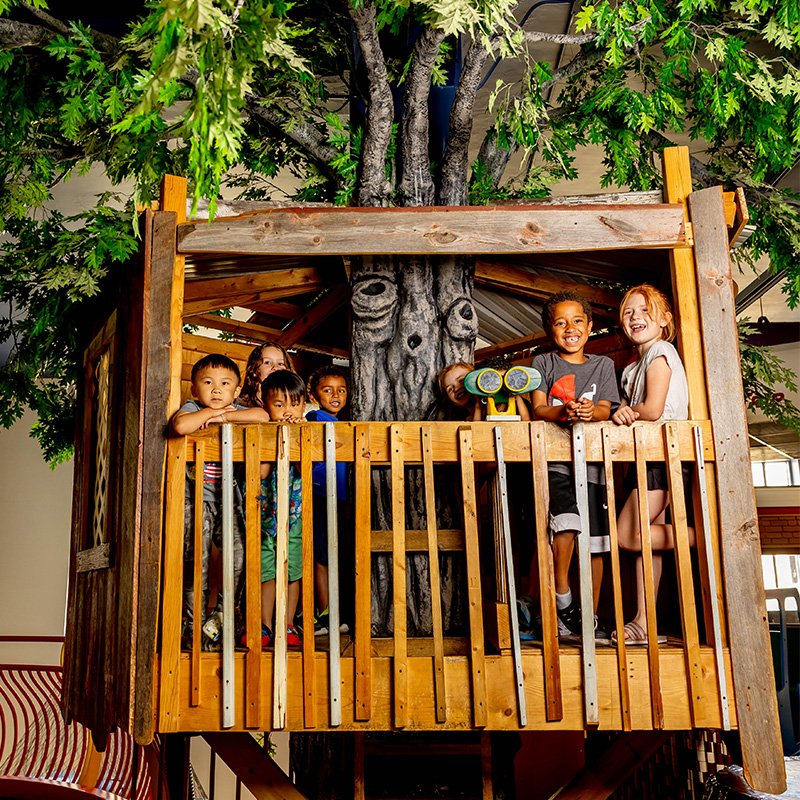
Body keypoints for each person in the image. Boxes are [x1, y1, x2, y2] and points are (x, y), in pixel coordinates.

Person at [531, 290, 620, 637]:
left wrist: (589, 410)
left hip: (593, 464)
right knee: (565, 523)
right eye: (561, 322)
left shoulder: (603, 365)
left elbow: (606, 409)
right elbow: (539, 409)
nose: (570, 328)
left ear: (590, 326)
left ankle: (589, 616)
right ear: (550, 330)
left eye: (578, 320)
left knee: (596, 542)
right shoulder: (543, 363)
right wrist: (563, 411)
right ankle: (563, 597)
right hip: (555, 461)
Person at [611, 284, 693, 646]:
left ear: (664, 320)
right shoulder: (631, 367)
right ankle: (644, 622)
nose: (636, 317)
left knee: (628, 535)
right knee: (647, 540)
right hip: (642, 454)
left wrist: (624, 413)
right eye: (629, 312)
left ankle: (704, 536)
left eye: (645, 310)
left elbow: (653, 408)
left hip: (662, 454)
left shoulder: (662, 350)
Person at [171, 353, 270, 648]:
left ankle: (221, 616)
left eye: (225, 384)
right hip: (196, 500)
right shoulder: (192, 408)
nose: (216, 389)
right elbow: (181, 427)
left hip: (230, 499)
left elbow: (262, 416)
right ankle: (193, 623)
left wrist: (223, 417)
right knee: (196, 563)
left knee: (240, 556)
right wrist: (208, 414)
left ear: (236, 391)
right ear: (194, 389)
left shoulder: (235, 410)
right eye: (208, 383)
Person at [255, 369, 307, 648]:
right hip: (265, 517)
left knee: (292, 570)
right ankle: (264, 625)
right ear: (265, 406)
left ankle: (287, 623)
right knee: (266, 570)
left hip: (294, 516)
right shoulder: (262, 431)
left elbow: (305, 468)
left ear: (303, 405)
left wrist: (297, 435)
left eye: (295, 404)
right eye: (279, 404)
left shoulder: (305, 431)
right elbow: (262, 473)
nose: (288, 411)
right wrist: (273, 437)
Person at [305, 365, 351, 636]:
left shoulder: (342, 422)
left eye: (341, 390)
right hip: (321, 493)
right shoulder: (314, 418)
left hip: (341, 497)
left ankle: (338, 611)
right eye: (328, 390)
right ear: (314, 395)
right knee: (322, 554)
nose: (336, 395)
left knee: (337, 552)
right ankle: (325, 615)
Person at [238, 341, 293, 408]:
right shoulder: (240, 404)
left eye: (280, 364)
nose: (275, 367)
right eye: (267, 362)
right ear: (254, 370)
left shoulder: (294, 403)